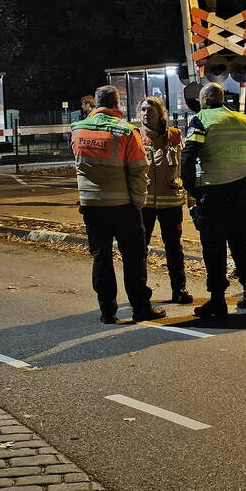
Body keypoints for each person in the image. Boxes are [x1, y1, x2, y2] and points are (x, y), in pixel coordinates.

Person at [70, 85, 164, 324]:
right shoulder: (125, 131)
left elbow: (81, 164)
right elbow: (138, 171)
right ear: (117, 104)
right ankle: (140, 308)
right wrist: (138, 203)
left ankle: (107, 311)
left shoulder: (78, 130)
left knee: (101, 257)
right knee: (134, 258)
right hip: (123, 206)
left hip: (91, 205)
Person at [182, 82, 246, 318]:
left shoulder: (201, 119)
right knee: (240, 244)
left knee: (214, 248)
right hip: (239, 193)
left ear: (206, 100)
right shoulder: (243, 120)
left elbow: (188, 157)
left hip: (213, 193)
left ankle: (218, 300)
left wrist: (193, 190)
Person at [138, 96, 192, 305]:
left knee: (174, 249)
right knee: (140, 250)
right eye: (143, 110)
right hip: (144, 204)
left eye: (150, 110)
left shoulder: (175, 136)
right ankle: (140, 293)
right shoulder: (135, 136)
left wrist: (191, 197)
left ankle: (179, 289)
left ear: (161, 114)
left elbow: (185, 168)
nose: (145, 114)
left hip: (171, 202)